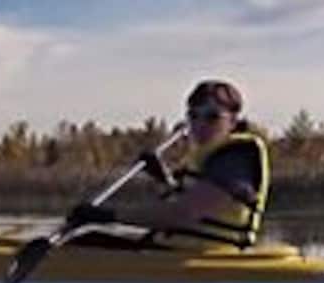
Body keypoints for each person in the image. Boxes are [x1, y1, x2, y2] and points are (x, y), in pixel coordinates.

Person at [67, 79, 271, 250]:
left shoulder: (234, 157)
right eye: (193, 115)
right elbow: (189, 203)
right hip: (183, 248)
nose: (199, 124)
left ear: (233, 121)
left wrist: (108, 216)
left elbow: (183, 214)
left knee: (83, 245)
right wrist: (163, 178)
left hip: (205, 255)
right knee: (85, 241)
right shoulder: (209, 157)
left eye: (212, 117)